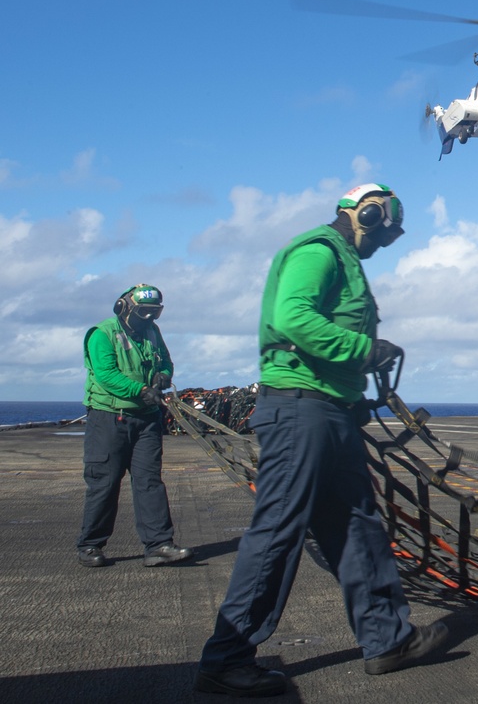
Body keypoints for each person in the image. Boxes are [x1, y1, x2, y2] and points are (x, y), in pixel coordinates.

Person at [196, 184, 448, 698]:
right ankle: (226, 659)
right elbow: (294, 317)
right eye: (388, 232)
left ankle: (387, 640)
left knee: (358, 528)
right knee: (278, 531)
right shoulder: (318, 251)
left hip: (331, 413)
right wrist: (364, 348)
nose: (387, 244)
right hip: (299, 410)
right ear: (370, 214)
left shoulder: (348, 262)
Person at [77, 284, 192, 568]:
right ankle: (91, 545)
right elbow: (106, 375)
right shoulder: (102, 334)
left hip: (146, 420)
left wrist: (163, 377)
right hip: (109, 419)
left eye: (155, 313)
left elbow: (166, 361)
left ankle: (159, 545)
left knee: (150, 481)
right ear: (124, 308)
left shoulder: (153, 332)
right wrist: (141, 390)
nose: (150, 319)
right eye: (144, 312)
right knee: (104, 482)